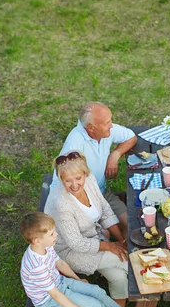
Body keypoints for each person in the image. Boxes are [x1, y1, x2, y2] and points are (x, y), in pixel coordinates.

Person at [45, 152, 129, 307]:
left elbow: (105, 210)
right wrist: (110, 245)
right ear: (61, 179)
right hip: (69, 251)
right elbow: (76, 243)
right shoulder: (61, 204)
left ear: (85, 173)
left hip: (93, 237)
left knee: (119, 277)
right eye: (67, 180)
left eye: (78, 178)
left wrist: (120, 240)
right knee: (129, 261)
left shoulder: (90, 181)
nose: (74, 184)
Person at [20, 212, 130, 307]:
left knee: (97, 291)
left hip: (59, 282)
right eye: (52, 234)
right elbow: (55, 295)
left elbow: (60, 264)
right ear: (37, 240)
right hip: (48, 299)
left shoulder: (46, 245)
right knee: (94, 306)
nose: (56, 235)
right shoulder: (37, 266)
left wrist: (77, 279)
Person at [51, 101, 137, 235]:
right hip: (79, 201)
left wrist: (115, 155)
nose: (111, 125)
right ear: (91, 128)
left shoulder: (104, 131)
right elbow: (65, 187)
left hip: (101, 193)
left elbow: (131, 137)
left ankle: (125, 244)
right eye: (107, 123)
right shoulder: (75, 146)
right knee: (105, 234)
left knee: (131, 223)